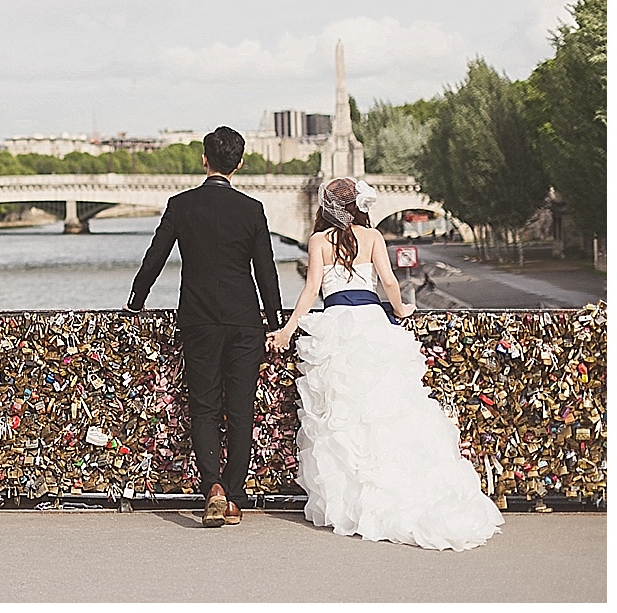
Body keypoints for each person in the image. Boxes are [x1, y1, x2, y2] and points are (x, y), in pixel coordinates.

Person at [267, 176, 504, 550]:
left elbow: (310, 291)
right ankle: (402, 486)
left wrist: (286, 331)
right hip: (374, 325)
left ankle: (353, 501)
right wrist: (401, 308)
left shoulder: (318, 242)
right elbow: (390, 283)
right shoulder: (373, 237)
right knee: (390, 406)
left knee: (344, 415)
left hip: (337, 328)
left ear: (328, 208)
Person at [125, 126, 284, 527]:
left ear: (204, 160)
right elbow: (265, 270)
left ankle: (210, 484)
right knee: (241, 408)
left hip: (198, 318)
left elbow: (155, 257)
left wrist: (136, 301)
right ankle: (233, 497)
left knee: (205, 406)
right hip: (245, 319)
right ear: (240, 163)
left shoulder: (181, 205)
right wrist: (276, 319)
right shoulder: (252, 210)